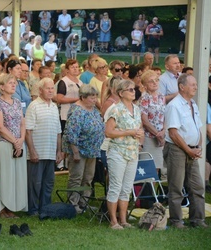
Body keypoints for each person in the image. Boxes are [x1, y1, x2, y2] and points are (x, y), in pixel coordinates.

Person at [163, 74, 208, 229]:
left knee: (197, 186)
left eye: (195, 84)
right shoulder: (174, 105)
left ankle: (198, 219)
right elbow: (173, 133)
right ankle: (176, 221)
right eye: (192, 84)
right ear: (182, 87)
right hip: (177, 150)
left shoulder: (193, 104)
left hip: (192, 150)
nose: (196, 87)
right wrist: (189, 150)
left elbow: (198, 128)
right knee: (176, 186)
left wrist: (198, 146)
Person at [105, 79, 144, 230]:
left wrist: (139, 138)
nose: (133, 92)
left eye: (134, 89)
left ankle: (124, 220)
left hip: (133, 152)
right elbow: (108, 132)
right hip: (118, 152)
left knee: (127, 187)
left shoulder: (137, 109)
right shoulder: (115, 109)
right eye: (130, 90)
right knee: (116, 186)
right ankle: (113, 221)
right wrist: (129, 132)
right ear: (121, 93)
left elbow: (139, 128)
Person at [63, 84, 104, 213]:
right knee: (76, 177)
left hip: (92, 150)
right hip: (79, 151)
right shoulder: (77, 111)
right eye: (91, 97)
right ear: (83, 97)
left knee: (88, 178)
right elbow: (71, 133)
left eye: (95, 96)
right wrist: (75, 152)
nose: (94, 99)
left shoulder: (94, 110)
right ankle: (73, 203)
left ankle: (84, 202)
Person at [0, 74, 28, 218]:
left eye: (15, 83)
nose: (14, 85)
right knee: (5, 175)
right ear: (1, 87)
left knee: (16, 175)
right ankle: (2, 207)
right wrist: (14, 141)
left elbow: (22, 123)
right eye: (10, 83)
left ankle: (13, 205)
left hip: (18, 143)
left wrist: (21, 139)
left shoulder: (17, 102)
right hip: (5, 144)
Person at [25, 78, 63, 216]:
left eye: (52, 88)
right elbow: (28, 131)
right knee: (35, 182)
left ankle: (45, 208)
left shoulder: (54, 106)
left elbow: (58, 131)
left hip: (51, 151)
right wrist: (32, 151)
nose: (51, 91)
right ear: (40, 90)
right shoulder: (33, 106)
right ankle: (33, 209)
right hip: (37, 152)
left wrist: (59, 151)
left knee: (48, 183)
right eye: (48, 88)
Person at [138, 70, 166, 180]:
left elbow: (164, 115)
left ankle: (153, 194)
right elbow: (144, 120)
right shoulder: (144, 98)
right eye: (151, 81)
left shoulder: (161, 96)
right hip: (149, 137)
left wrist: (163, 132)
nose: (155, 83)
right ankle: (144, 195)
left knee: (157, 168)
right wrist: (157, 134)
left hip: (160, 136)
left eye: (156, 80)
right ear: (145, 85)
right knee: (147, 168)